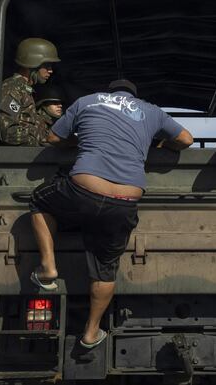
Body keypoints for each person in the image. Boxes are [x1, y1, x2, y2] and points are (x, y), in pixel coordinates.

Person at [28, 79, 194, 349]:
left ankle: (48, 267)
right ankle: (91, 332)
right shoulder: (152, 111)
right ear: (134, 96)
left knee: (38, 202)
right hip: (124, 201)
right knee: (105, 271)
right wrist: (161, 147)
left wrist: (80, 140)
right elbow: (186, 139)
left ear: (110, 91)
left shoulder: (87, 100)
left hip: (83, 191)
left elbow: (53, 138)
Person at [0, 38, 61, 146]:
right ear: (32, 64)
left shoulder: (26, 90)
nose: (50, 71)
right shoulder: (12, 88)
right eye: (46, 66)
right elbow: (8, 132)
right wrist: (41, 142)